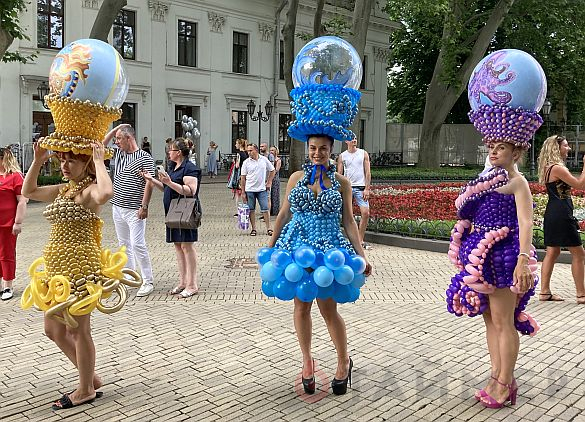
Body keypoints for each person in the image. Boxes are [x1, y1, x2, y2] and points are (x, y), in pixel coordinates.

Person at [22, 142, 140, 409]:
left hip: (80, 268)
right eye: (62, 160)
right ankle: (90, 377)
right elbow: (28, 191)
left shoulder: (89, 191)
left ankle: (85, 389)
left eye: (71, 161)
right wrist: (37, 160)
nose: (64, 166)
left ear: (85, 163)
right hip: (56, 271)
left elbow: (106, 193)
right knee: (53, 329)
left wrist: (98, 161)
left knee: (78, 330)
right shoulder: (63, 190)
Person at [267, 135, 372, 395]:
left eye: (323, 148)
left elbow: (349, 221)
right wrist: (270, 247)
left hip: (329, 254)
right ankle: (307, 361)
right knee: (301, 306)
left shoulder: (342, 183)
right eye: (313, 148)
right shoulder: (296, 178)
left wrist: (362, 255)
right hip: (297, 249)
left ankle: (343, 361)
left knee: (328, 310)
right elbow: (283, 214)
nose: (317, 153)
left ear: (331, 150)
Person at [142, 138, 201, 298]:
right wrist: (152, 180)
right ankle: (183, 282)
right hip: (173, 212)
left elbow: (191, 190)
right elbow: (166, 188)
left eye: (171, 150)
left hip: (186, 212)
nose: (168, 152)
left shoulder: (189, 168)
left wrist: (169, 182)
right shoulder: (173, 167)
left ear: (179, 152)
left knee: (187, 246)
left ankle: (192, 284)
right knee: (178, 246)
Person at [103, 124, 156, 297]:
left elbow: (150, 183)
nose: (116, 142)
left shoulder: (144, 157)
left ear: (129, 138)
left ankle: (147, 280)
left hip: (134, 209)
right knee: (124, 244)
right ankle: (129, 275)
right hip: (117, 207)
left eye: (119, 138)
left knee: (137, 244)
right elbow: (101, 146)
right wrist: (116, 129)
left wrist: (144, 206)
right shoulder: (119, 154)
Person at [537, 135, 585, 304]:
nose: (569, 148)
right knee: (579, 254)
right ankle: (581, 295)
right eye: (565, 145)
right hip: (562, 214)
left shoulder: (549, 167)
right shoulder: (557, 168)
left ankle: (544, 292)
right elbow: (580, 185)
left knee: (553, 252)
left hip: (553, 212)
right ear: (556, 148)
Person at [0, 147, 28, 301]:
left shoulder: (15, 177)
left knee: (6, 254)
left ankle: (7, 286)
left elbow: (22, 201)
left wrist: (18, 222)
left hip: (7, 224)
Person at [337, 137, 372, 249]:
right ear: (346, 141)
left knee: (365, 213)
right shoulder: (342, 156)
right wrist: (339, 190)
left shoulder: (363, 153)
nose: (354, 140)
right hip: (347, 188)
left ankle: (360, 240)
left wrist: (367, 188)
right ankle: (349, 239)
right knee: (347, 215)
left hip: (361, 187)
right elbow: (339, 174)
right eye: (351, 139)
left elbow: (368, 172)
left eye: (355, 138)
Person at [241, 143, 274, 236]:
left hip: (261, 189)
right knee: (251, 209)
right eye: (248, 151)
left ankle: (269, 228)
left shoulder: (264, 160)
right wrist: (243, 192)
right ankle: (254, 229)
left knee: (265, 208)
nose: (249, 152)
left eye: (251, 150)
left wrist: (269, 182)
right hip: (250, 189)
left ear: (256, 150)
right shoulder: (246, 162)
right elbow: (243, 178)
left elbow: (272, 170)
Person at [229, 138, 248, 215]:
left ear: (240, 144)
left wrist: (234, 161)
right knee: (244, 192)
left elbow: (237, 165)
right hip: (245, 174)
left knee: (238, 193)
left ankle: (239, 211)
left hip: (239, 175)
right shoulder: (246, 153)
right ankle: (246, 209)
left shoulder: (239, 154)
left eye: (236, 143)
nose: (235, 145)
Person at [260, 142, 275, 218]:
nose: (261, 148)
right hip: (261, 179)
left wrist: (269, 180)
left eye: (262, 146)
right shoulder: (261, 156)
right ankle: (264, 213)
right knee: (263, 197)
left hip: (267, 179)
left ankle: (267, 214)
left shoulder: (270, 156)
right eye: (260, 146)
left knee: (268, 197)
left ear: (266, 147)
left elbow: (271, 169)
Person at [269, 146, 281, 216]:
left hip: (275, 179)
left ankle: (275, 211)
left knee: (275, 195)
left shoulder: (278, 160)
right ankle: (269, 210)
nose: (271, 152)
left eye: (272, 150)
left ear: (276, 151)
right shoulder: (269, 159)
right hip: (269, 178)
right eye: (270, 150)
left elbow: (276, 170)